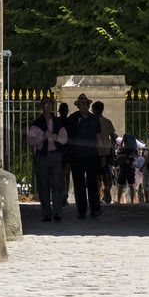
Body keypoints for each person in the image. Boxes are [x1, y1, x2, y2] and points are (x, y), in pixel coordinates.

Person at [26, 95, 69, 223]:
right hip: (42, 156)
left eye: (50, 104)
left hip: (56, 155)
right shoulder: (36, 123)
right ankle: (46, 213)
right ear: (42, 107)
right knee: (43, 185)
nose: (48, 106)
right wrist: (43, 137)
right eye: (46, 104)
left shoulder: (58, 123)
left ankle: (56, 212)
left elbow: (65, 139)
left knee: (57, 184)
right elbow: (30, 141)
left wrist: (57, 138)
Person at [65, 93, 103, 219]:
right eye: (81, 103)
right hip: (76, 156)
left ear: (89, 105)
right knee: (79, 184)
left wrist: (102, 154)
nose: (84, 105)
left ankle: (95, 209)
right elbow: (68, 137)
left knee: (93, 183)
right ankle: (81, 210)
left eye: (86, 103)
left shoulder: (94, 119)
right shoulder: (72, 118)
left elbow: (99, 136)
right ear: (77, 105)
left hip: (92, 155)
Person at [91, 101, 117, 203]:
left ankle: (97, 195)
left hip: (94, 151)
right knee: (105, 172)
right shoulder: (107, 121)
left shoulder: (92, 122)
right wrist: (112, 147)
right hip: (106, 152)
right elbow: (113, 137)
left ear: (94, 110)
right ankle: (106, 187)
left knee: (96, 174)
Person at [114, 134, 140, 204]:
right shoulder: (134, 150)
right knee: (131, 184)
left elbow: (118, 157)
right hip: (132, 168)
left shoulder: (123, 149)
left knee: (120, 185)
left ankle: (119, 201)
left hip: (123, 168)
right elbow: (138, 157)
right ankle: (132, 201)